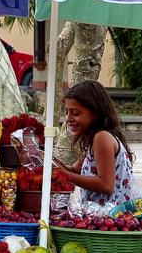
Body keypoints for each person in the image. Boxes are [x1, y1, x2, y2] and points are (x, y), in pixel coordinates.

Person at [54, 80, 135, 209]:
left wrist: (65, 175)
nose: (68, 119)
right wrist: (51, 163)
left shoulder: (102, 138)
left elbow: (106, 185)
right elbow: (77, 170)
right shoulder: (95, 139)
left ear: (95, 114)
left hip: (111, 215)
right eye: (66, 112)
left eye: (76, 113)